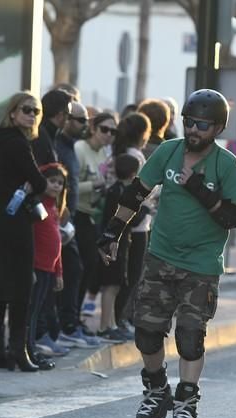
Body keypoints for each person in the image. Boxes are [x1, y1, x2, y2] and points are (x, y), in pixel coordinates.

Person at [98, 89, 236, 418]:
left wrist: (201, 190)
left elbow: (234, 217)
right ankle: (156, 389)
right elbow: (135, 193)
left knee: (190, 336)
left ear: (218, 128)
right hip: (161, 256)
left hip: (201, 264)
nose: (194, 130)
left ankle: (187, 399)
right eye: (189, 123)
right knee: (147, 331)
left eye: (203, 125)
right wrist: (112, 234)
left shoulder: (225, 165)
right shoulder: (168, 151)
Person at [0, 91, 48, 372]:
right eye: (26, 109)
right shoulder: (18, 143)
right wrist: (29, 185)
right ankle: (17, 349)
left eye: (36, 111)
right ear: (12, 112)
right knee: (22, 282)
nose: (32, 115)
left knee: (2, 279)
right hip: (14, 218)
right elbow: (40, 181)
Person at [54, 102, 102, 348]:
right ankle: (63, 326)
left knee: (74, 270)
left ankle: (65, 325)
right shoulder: (61, 145)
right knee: (70, 271)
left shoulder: (71, 146)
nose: (85, 125)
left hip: (69, 218)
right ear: (65, 118)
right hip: (59, 219)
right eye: (81, 120)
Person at [111, 112, 152, 339]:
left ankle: (119, 319)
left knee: (125, 275)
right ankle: (120, 319)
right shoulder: (135, 155)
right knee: (131, 275)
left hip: (129, 222)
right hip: (137, 224)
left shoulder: (119, 151)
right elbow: (145, 186)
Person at [97, 155, 144, 343]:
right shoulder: (120, 193)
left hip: (120, 243)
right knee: (111, 285)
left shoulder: (117, 190)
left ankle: (112, 324)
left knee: (115, 285)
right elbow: (127, 220)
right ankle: (104, 326)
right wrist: (146, 208)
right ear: (133, 174)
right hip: (113, 243)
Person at [74, 112, 117, 319]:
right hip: (76, 213)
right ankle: (69, 318)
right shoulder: (80, 149)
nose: (109, 134)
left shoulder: (103, 154)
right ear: (93, 128)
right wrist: (96, 184)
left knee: (91, 265)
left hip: (93, 214)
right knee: (80, 266)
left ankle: (75, 316)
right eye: (104, 129)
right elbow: (70, 186)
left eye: (113, 131)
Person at [29, 162, 69, 362]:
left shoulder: (54, 208)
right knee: (33, 309)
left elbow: (57, 243)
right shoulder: (38, 205)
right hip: (37, 266)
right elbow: (33, 239)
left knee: (41, 307)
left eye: (60, 183)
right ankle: (31, 344)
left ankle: (35, 343)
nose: (56, 186)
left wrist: (59, 271)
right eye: (52, 181)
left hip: (49, 268)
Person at [32, 89, 72, 166]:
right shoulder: (40, 136)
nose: (68, 120)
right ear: (60, 115)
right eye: (69, 115)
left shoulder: (47, 134)